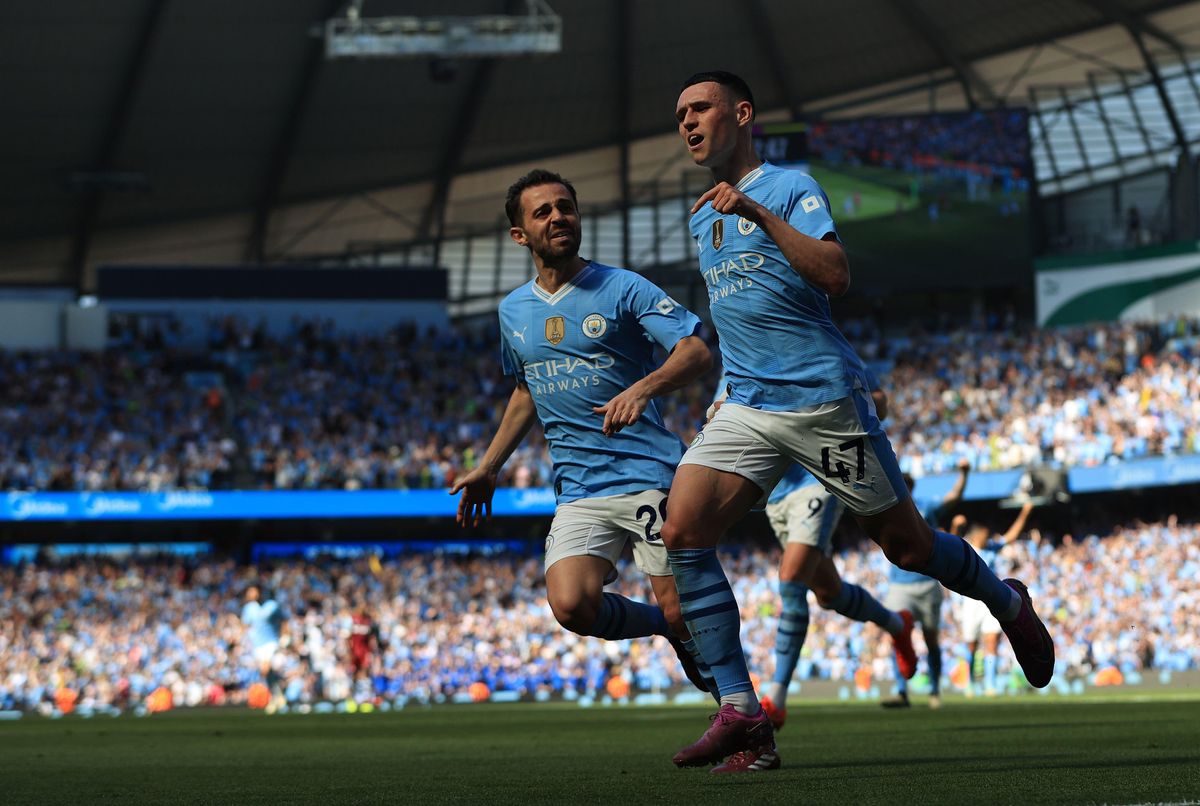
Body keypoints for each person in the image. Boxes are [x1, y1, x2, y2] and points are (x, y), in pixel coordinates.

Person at [663, 71, 1055, 773]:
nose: (687, 123)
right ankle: (745, 714)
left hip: (819, 400)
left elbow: (835, 275)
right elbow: (739, 316)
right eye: (681, 115)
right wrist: (723, 389)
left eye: (701, 109)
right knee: (682, 530)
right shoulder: (699, 214)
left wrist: (755, 211)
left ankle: (1005, 599)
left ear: (742, 114)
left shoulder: (790, 187)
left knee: (907, 549)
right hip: (747, 403)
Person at [450, 168, 715, 701]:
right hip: (579, 489)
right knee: (571, 605)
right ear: (519, 235)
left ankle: (741, 717)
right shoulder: (513, 311)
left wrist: (643, 388)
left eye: (565, 207)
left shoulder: (623, 286)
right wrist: (489, 466)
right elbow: (527, 391)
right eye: (542, 212)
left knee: (679, 605)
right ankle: (671, 632)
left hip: (647, 475)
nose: (558, 217)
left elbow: (695, 350)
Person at [710, 375, 918, 737]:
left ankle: (776, 697)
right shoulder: (734, 360)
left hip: (816, 479)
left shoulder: (812, 340)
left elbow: (878, 401)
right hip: (773, 493)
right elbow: (720, 418)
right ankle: (897, 624)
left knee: (790, 578)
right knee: (829, 593)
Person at [880, 460, 970, 710]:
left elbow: (954, 497)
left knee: (931, 640)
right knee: (897, 635)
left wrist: (964, 474)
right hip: (899, 585)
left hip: (926, 582)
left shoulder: (924, 507)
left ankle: (934, 690)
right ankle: (901, 691)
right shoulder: (884, 508)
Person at [959, 501, 1036, 696]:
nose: (988, 537)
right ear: (977, 535)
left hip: (989, 599)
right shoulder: (966, 549)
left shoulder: (991, 548)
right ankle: (969, 683)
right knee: (971, 643)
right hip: (970, 601)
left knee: (992, 640)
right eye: (985, 534)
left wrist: (1025, 513)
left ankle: (990, 684)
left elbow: (1010, 536)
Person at [240, 585, 285, 708]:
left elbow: (284, 620)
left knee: (265, 668)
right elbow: (245, 625)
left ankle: (272, 697)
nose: (250, 594)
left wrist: (285, 637)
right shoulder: (249, 608)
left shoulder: (272, 605)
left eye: (252, 591)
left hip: (271, 642)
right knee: (266, 672)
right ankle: (278, 696)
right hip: (257, 644)